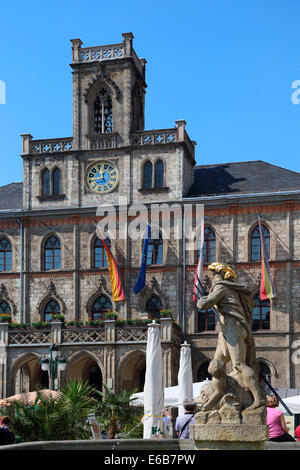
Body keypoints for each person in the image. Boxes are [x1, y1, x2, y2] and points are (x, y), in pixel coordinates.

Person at [197, 262, 265, 411]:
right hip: (227, 330)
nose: (213, 278)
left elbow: (204, 304)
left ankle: (258, 398)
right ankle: (218, 392)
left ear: (220, 275)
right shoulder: (231, 289)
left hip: (233, 328)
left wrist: (200, 299)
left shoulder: (221, 286)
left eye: (214, 275)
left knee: (238, 365)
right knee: (215, 365)